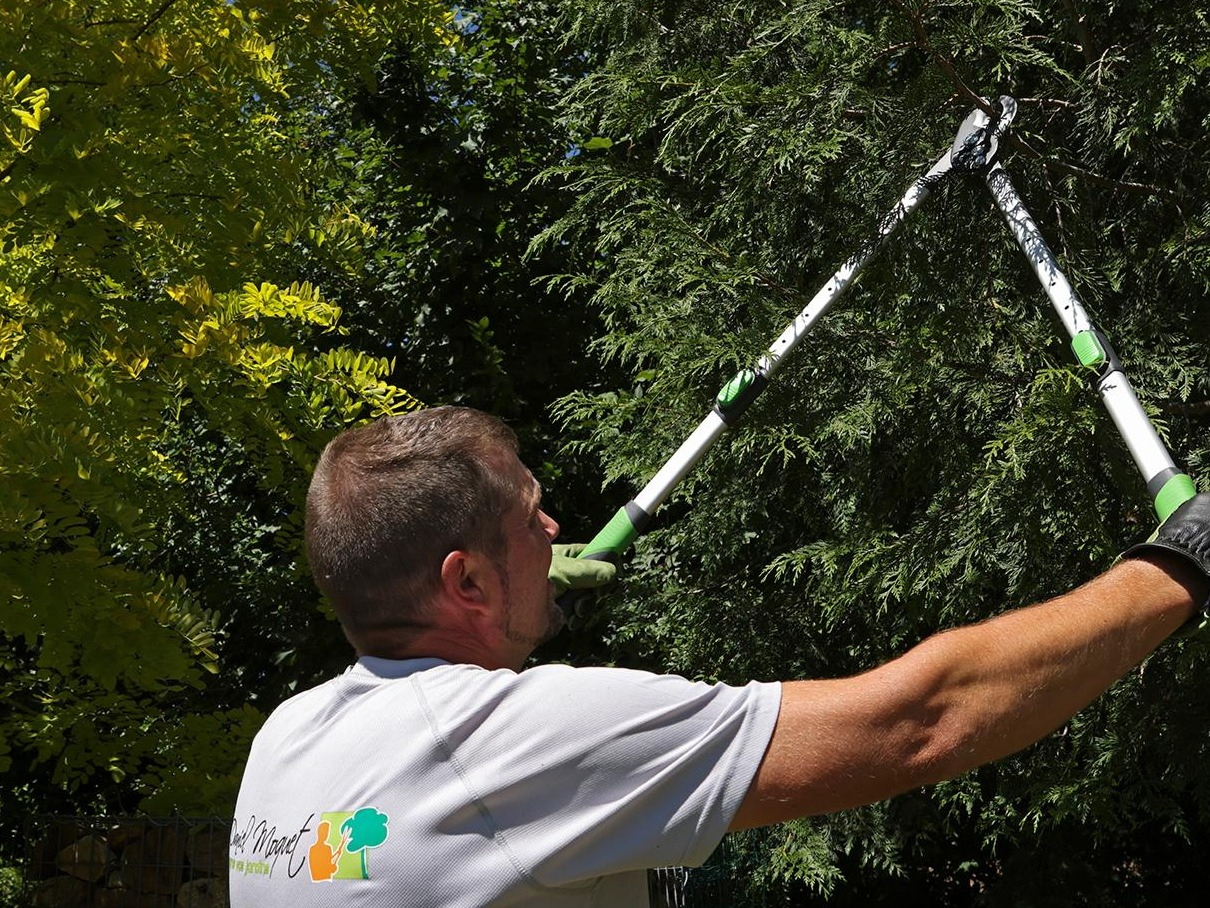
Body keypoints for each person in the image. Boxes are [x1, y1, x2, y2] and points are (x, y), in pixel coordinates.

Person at [229, 406, 1210, 907]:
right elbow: (919, 718)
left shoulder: (285, 744)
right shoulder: (506, 741)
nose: (557, 526)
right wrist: (1178, 564)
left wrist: (525, 578)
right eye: (534, 518)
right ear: (467, 586)